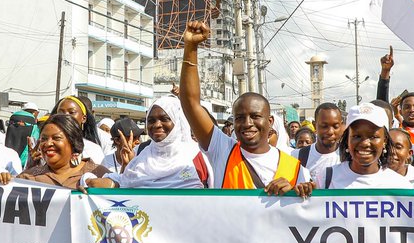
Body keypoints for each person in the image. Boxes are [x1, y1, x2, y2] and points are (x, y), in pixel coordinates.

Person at [178, 21, 312, 196]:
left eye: (255, 116)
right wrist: (191, 47)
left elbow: (304, 215)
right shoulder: (223, 150)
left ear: (270, 122)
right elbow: (190, 103)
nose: (247, 123)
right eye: (240, 118)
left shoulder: (297, 168)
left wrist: (294, 192)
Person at [86, 94, 211, 190]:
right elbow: (123, 182)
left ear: (178, 122)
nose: (156, 125)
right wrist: (91, 182)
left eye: (165, 119)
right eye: (151, 120)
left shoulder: (198, 156)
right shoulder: (140, 157)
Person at [322, 104, 414, 191]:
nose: (364, 143)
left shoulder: (399, 185)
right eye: (356, 136)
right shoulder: (326, 179)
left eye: (373, 136)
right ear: (347, 139)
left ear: (385, 141)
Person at [17, 113, 107, 190]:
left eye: (56, 138)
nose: (48, 144)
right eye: (44, 139)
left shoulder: (99, 174)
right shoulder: (28, 178)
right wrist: (5, 180)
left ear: (73, 142)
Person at [296, 103, 344, 185]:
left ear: (341, 125)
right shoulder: (297, 156)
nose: (330, 132)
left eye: (335, 126)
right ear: (315, 125)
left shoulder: (349, 156)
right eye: (324, 126)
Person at [50, 95, 105, 166]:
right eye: (61, 112)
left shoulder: (93, 150)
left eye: (71, 112)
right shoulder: (48, 145)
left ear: (83, 118)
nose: (66, 116)